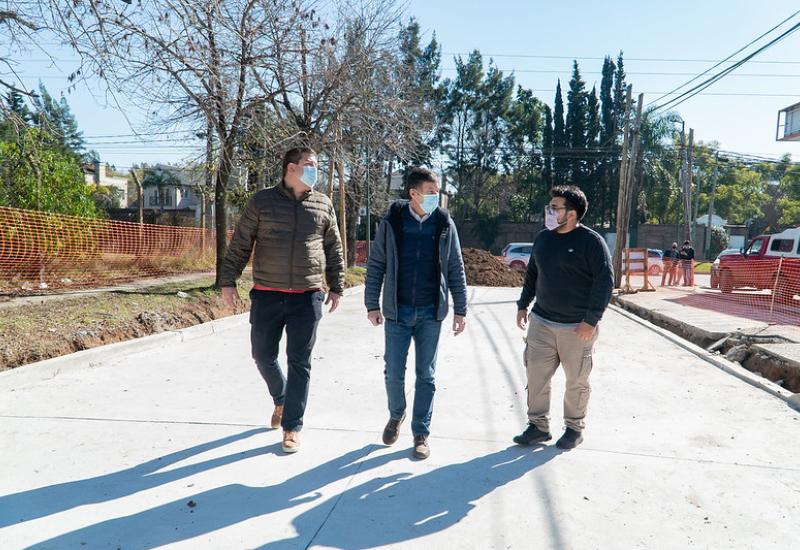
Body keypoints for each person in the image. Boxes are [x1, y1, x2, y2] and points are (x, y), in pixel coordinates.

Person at [219, 147, 345, 454]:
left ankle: (292, 427)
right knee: (262, 355)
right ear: (291, 168)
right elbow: (241, 243)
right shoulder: (262, 201)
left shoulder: (323, 203)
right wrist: (227, 281)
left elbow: (334, 248)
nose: (316, 170)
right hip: (267, 293)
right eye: (310, 165)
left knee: (300, 362)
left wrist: (337, 285)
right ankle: (281, 398)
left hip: (308, 296)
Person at [365, 167, 468, 460]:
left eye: (438, 193)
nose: (437, 198)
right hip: (397, 313)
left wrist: (460, 309)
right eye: (432, 193)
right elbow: (376, 264)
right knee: (393, 372)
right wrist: (372, 303)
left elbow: (456, 267)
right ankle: (396, 414)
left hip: (430, 313)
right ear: (414, 194)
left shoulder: (444, 223)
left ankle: (421, 432)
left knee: (427, 375)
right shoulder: (393, 222)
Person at [514, 185, 613, 450]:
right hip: (542, 322)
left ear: (571, 214)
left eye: (555, 207)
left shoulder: (591, 242)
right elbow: (533, 274)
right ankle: (538, 426)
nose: (549, 211)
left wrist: (591, 320)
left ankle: (573, 428)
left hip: (577, 328)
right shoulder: (544, 239)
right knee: (536, 375)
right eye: (551, 207)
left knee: (576, 381)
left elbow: (604, 282)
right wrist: (523, 304)